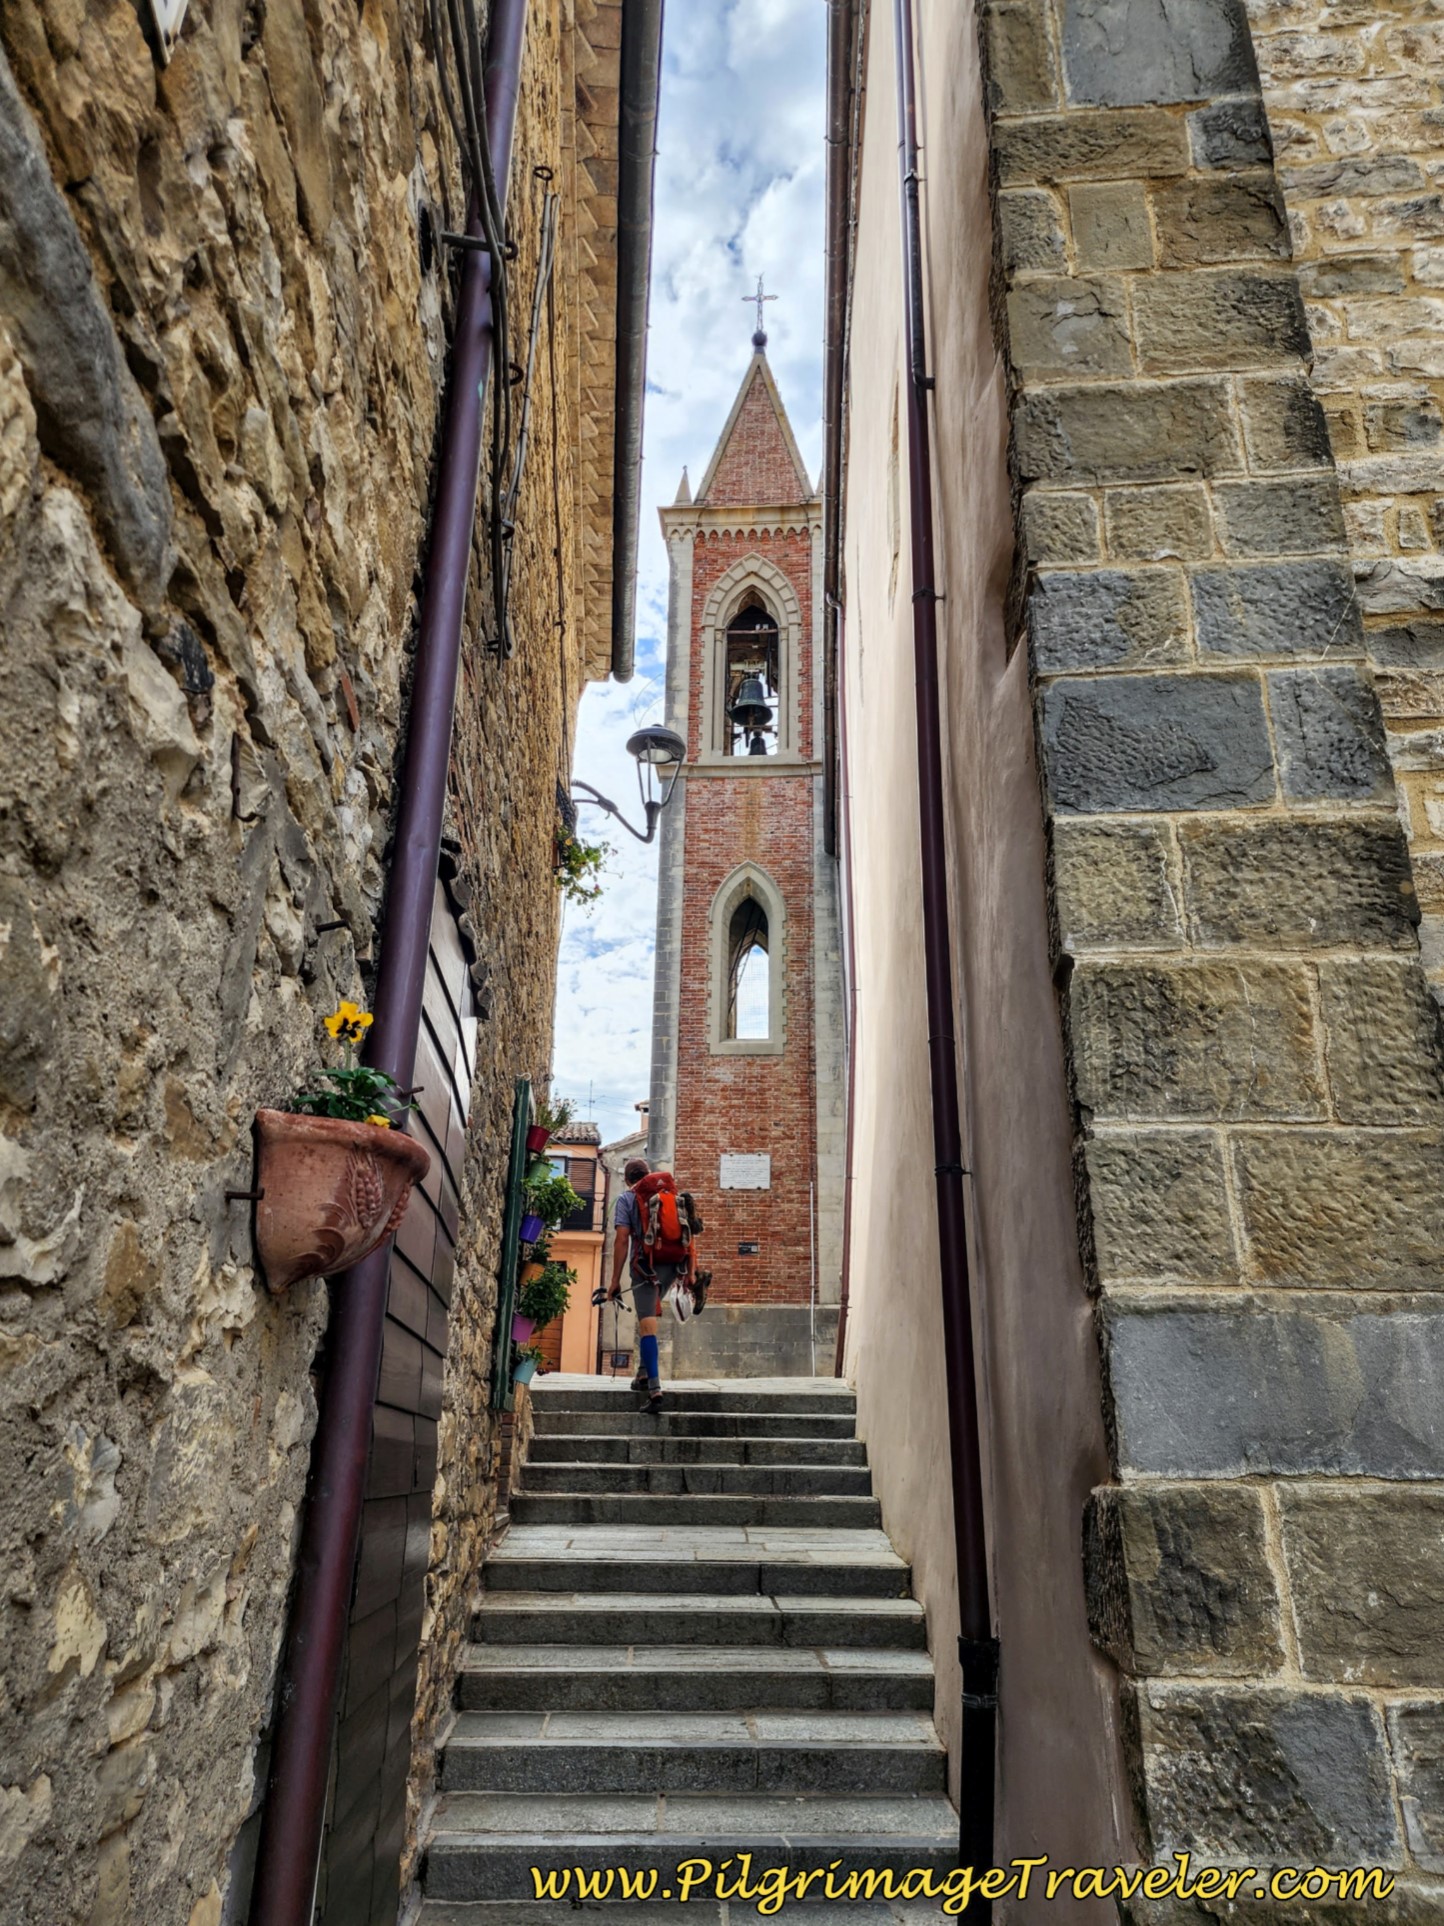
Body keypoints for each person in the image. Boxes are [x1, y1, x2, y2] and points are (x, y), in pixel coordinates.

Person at [608, 1156, 683, 1413]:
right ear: (648, 1174)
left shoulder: (627, 1199)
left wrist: (615, 1280)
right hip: (673, 1265)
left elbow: (621, 1240)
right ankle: (642, 1374)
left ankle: (654, 1389)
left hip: (645, 1268)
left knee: (648, 1325)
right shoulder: (668, 1195)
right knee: (649, 1315)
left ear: (627, 1179)